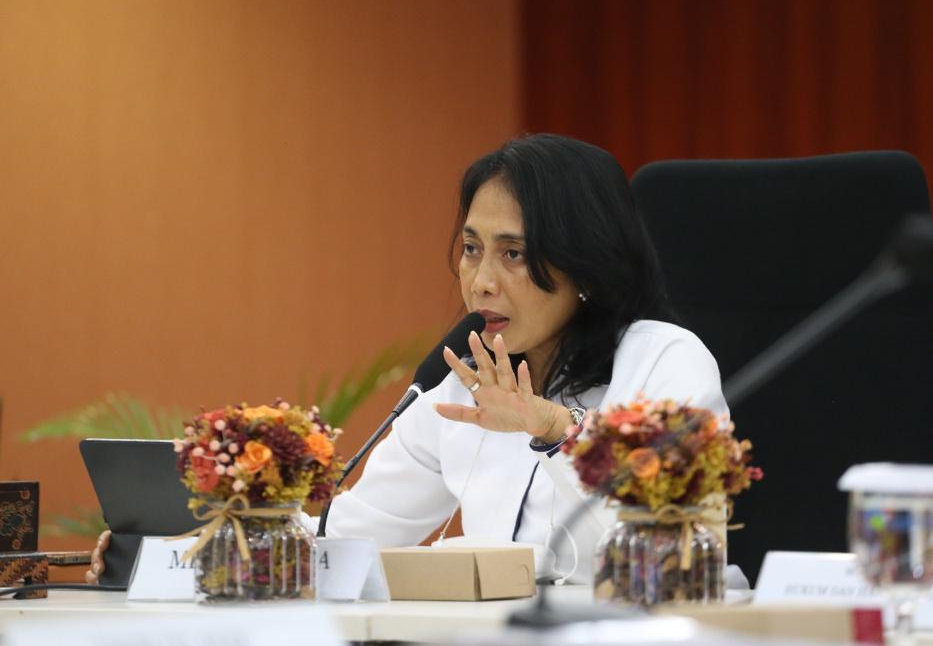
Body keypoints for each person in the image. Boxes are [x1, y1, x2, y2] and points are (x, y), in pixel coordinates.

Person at [87, 134, 727, 585]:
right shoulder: (461, 381)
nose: (480, 282)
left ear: (584, 264)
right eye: (472, 249)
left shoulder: (663, 361)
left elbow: (670, 551)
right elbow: (351, 534)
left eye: (512, 253)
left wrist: (557, 431)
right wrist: (184, 550)